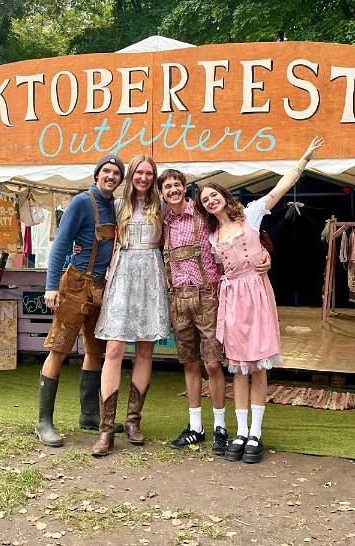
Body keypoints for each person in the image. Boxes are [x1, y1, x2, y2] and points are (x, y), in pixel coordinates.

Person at [196, 136, 324, 464]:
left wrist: (303, 159)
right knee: (238, 368)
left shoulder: (251, 216)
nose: (210, 200)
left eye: (213, 195)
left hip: (256, 294)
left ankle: (256, 432)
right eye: (205, 199)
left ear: (224, 196)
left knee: (258, 367)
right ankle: (240, 432)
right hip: (232, 300)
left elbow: (280, 188)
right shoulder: (211, 237)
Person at [159, 169, 270, 455]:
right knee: (190, 363)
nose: (172, 189)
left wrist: (267, 257)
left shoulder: (204, 218)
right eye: (167, 186)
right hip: (178, 298)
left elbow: (246, 239)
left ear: (185, 189)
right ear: (161, 193)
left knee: (212, 363)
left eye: (176, 185)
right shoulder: (161, 222)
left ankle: (221, 425)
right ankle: (196, 426)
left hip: (208, 296)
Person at [36, 155, 124, 448]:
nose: (111, 176)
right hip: (74, 284)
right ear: (97, 174)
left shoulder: (114, 206)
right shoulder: (81, 202)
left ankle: (89, 415)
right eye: (106, 171)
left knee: (94, 349)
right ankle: (44, 422)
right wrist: (51, 287)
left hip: (101, 287)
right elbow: (61, 243)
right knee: (59, 348)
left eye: (116, 173)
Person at [92, 154, 171, 457]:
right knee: (113, 349)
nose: (144, 178)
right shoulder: (116, 205)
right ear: (131, 175)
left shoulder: (161, 206)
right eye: (139, 172)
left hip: (151, 273)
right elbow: (96, 236)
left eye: (149, 173)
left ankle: (133, 421)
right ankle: (106, 429)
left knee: (145, 349)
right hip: (123, 274)